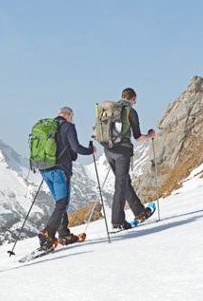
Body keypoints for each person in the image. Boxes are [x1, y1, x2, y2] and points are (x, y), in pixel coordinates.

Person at [37, 107, 95, 251]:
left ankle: (64, 234)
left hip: (44, 170)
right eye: (72, 117)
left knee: (59, 203)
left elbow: (69, 151)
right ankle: (47, 234)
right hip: (59, 171)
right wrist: (90, 150)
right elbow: (76, 148)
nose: (72, 119)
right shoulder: (68, 126)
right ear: (68, 115)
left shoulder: (48, 127)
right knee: (62, 203)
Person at [104, 88, 156, 230]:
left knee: (123, 181)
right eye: (135, 100)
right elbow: (138, 137)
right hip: (122, 150)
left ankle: (139, 212)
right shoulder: (130, 111)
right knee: (121, 184)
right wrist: (150, 136)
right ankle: (118, 221)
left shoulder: (111, 109)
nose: (135, 102)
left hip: (108, 150)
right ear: (132, 99)